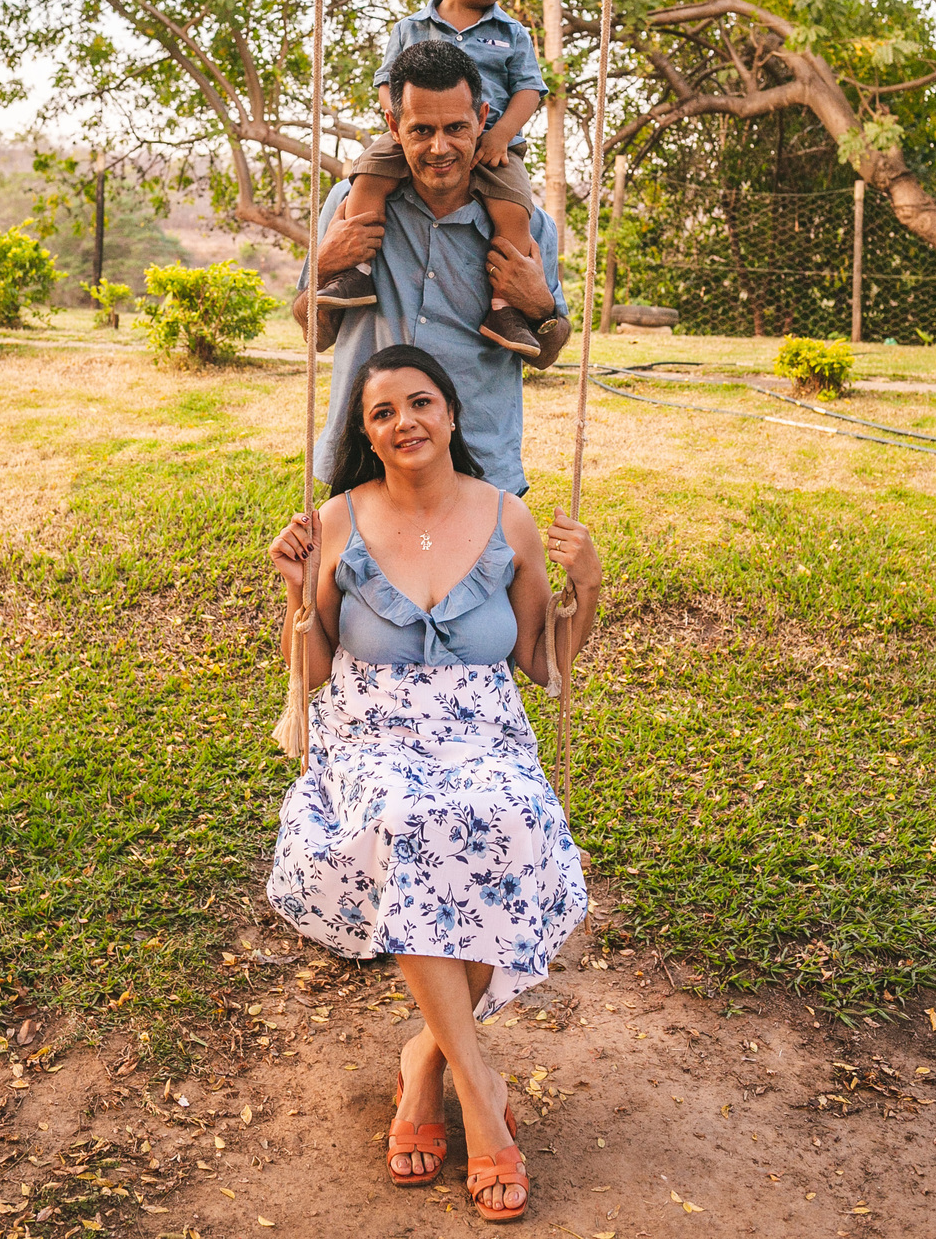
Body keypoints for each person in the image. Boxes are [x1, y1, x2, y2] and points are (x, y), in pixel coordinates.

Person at [266, 345, 601, 1222]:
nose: (404, 421)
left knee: (512, 818)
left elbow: (542, 661)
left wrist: (587, 586)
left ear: (452, 413)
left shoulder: (509, 520)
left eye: (420, 403)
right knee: (411, 820)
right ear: (366, 433)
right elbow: (309, 670)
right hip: (370, 734)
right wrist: (295, 593)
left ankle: (427, 1061)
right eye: (382, 412)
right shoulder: (337, 520)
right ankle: (484, 1104)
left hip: (483, 730)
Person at [293, 39, 571, 496]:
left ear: (482, 120)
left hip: (480, 466)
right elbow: (316, 335)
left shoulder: (528, 226)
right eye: (421, 130)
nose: (440, 148)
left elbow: (546, 354)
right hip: (367, 461)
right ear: (393, 126)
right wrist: (325, 267)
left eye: (457, 128)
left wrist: (540, 308)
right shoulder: (348, 208)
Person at [317, 0, 547, 359]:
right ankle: (354, 269)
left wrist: (501, 135)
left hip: (492, 147)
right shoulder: (412, 28)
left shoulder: (512, 34)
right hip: (412, 135)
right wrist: (403, 127)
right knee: (367, 175)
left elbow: (529, 91)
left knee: (514, 209)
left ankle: (506, 307)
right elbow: (386, 83)